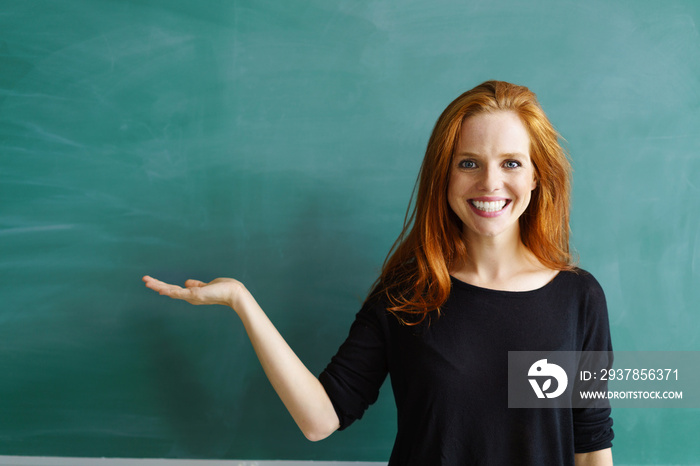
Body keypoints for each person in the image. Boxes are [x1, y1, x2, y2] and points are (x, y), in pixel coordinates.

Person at [143, 80, 614, 465]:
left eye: (511, 163)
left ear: (536, 175)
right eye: (468, 163)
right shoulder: (408, 293)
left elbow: (591, 446)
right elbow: (319, 419)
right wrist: (242, 302)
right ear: (444, 178)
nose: (490, 182)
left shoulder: (578, 297)